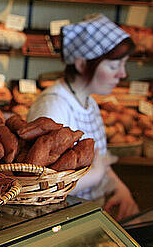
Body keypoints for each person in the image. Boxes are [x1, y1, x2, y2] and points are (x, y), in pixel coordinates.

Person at [27, 14, 139, 221]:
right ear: (81, 64)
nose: (122, 74)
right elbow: (41, 185)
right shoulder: (53, 107)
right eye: (114, 66)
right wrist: (96, 176)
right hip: (56, 220)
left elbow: (97, 158)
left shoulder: (88, 102)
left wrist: (119, 187)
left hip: (82, 214)